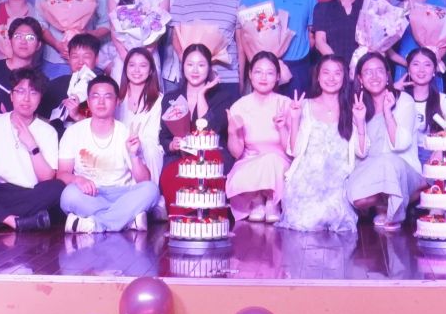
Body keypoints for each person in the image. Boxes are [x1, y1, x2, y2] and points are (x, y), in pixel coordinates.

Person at [0, 68, 65, 231]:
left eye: (33, 92)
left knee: (57, 188)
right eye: (20, 91)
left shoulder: (48, 131)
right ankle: (16, 221)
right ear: (11, 95)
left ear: (40, 97)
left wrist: (32, 145)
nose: (26, 98)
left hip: (27, 193)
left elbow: (47, 178)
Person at [58, 76, 161, 233]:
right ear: (88, 101)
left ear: (117, 101)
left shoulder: (126, 132)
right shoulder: (73, 132)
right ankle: (127, 220)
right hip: (90, 195)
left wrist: (134, 155)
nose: (101, 102)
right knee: (68, 195)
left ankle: (95, 224)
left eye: (107, 96)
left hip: (123, 194)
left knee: (151, 190)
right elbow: (62, 174)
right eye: (95, 96)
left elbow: (144, 180)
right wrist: (78, 179)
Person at [280, 54, 365, 231]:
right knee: (305, 224)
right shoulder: (304, 105)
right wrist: (294, 118)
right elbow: (294, 151)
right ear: (318, 77)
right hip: (307, 181)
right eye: (326, 73)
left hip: (339, 181)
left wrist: (360, 121)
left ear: (344, 77)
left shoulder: (352, 107)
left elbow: (362, 152)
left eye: (337, 73)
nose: (331, 78)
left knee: (339, 224)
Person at [156, 43, 239, 211]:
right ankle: (183, 217)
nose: (195, 70)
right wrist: (172, 144)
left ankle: (203, 215)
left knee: (205, 174)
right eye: (190, 64)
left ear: (209, 68)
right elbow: (164, 136)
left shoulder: (223, 97)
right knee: (171, 175)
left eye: (201, 65)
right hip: (180, 158)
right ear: (183, 67)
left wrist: (201, 95)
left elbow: (209, 130)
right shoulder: (171, 98)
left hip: (212, 158)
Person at [347, 52, 420, 229]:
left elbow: (400, 144)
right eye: (368, 72)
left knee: (387, 161)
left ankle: (394, 210)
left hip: (402, 168)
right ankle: (387, 200)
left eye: (379, 71)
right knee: (355, 197)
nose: (374, 76)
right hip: (371, 169)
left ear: (388, 76)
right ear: (360, 79)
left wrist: (388, 112)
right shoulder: (358, 105)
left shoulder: (404, 100)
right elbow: (360, 153)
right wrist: (360, 122)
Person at [226, 52, 294, 222]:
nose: (263, 77)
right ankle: (256, 199)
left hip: (280, 162)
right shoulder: (239, 106)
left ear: (277, 77)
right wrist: (233, 131)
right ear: (250, 74)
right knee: (242, 173)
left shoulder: (286, 104)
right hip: (250, 161)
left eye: (270, 73)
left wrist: (281, 128)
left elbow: (292, 150)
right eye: (258, 72)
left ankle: (272, 200)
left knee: (272, 161)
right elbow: (236, 153)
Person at [168, 0, 241, 87]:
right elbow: (175, 38)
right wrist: (189, 64)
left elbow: (240, 41)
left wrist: (242, 78)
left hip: (228, 77)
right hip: (194, 77)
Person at [0, 16, 47, 121]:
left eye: (30, 37)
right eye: (18, 36)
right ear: (10, 40)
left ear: (38, 45)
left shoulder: (40, 80)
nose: (23, 41)